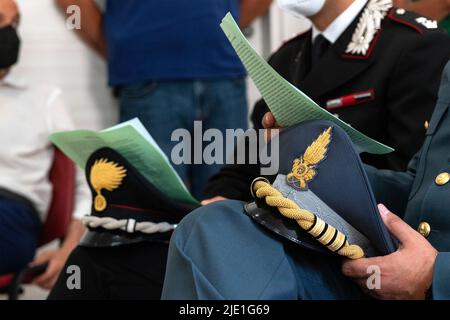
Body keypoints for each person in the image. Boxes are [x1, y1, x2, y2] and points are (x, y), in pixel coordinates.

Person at [162, 59, 450, 300]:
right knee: (211, 226)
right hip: (383, 267)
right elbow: (420, 190)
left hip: (429, 283)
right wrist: (308, 159)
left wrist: (434, 275)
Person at [202, 0, 450, 205]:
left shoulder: (414, 44)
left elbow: (413, 179)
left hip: (361, 239)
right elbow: (249, 162)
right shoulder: (286, 57)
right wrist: (219, 199)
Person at [56, 0, 272, 199]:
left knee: (226, 206)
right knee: (158, 212)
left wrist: (226, 29)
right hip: (149, 81)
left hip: (222, 78)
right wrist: (119, 47)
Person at [0, 0, 90, 289]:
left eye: (14, 24)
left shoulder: (43, 98)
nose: (9, 32)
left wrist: (69, 250)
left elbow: (85, 183)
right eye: (0, 20)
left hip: (12, 216)